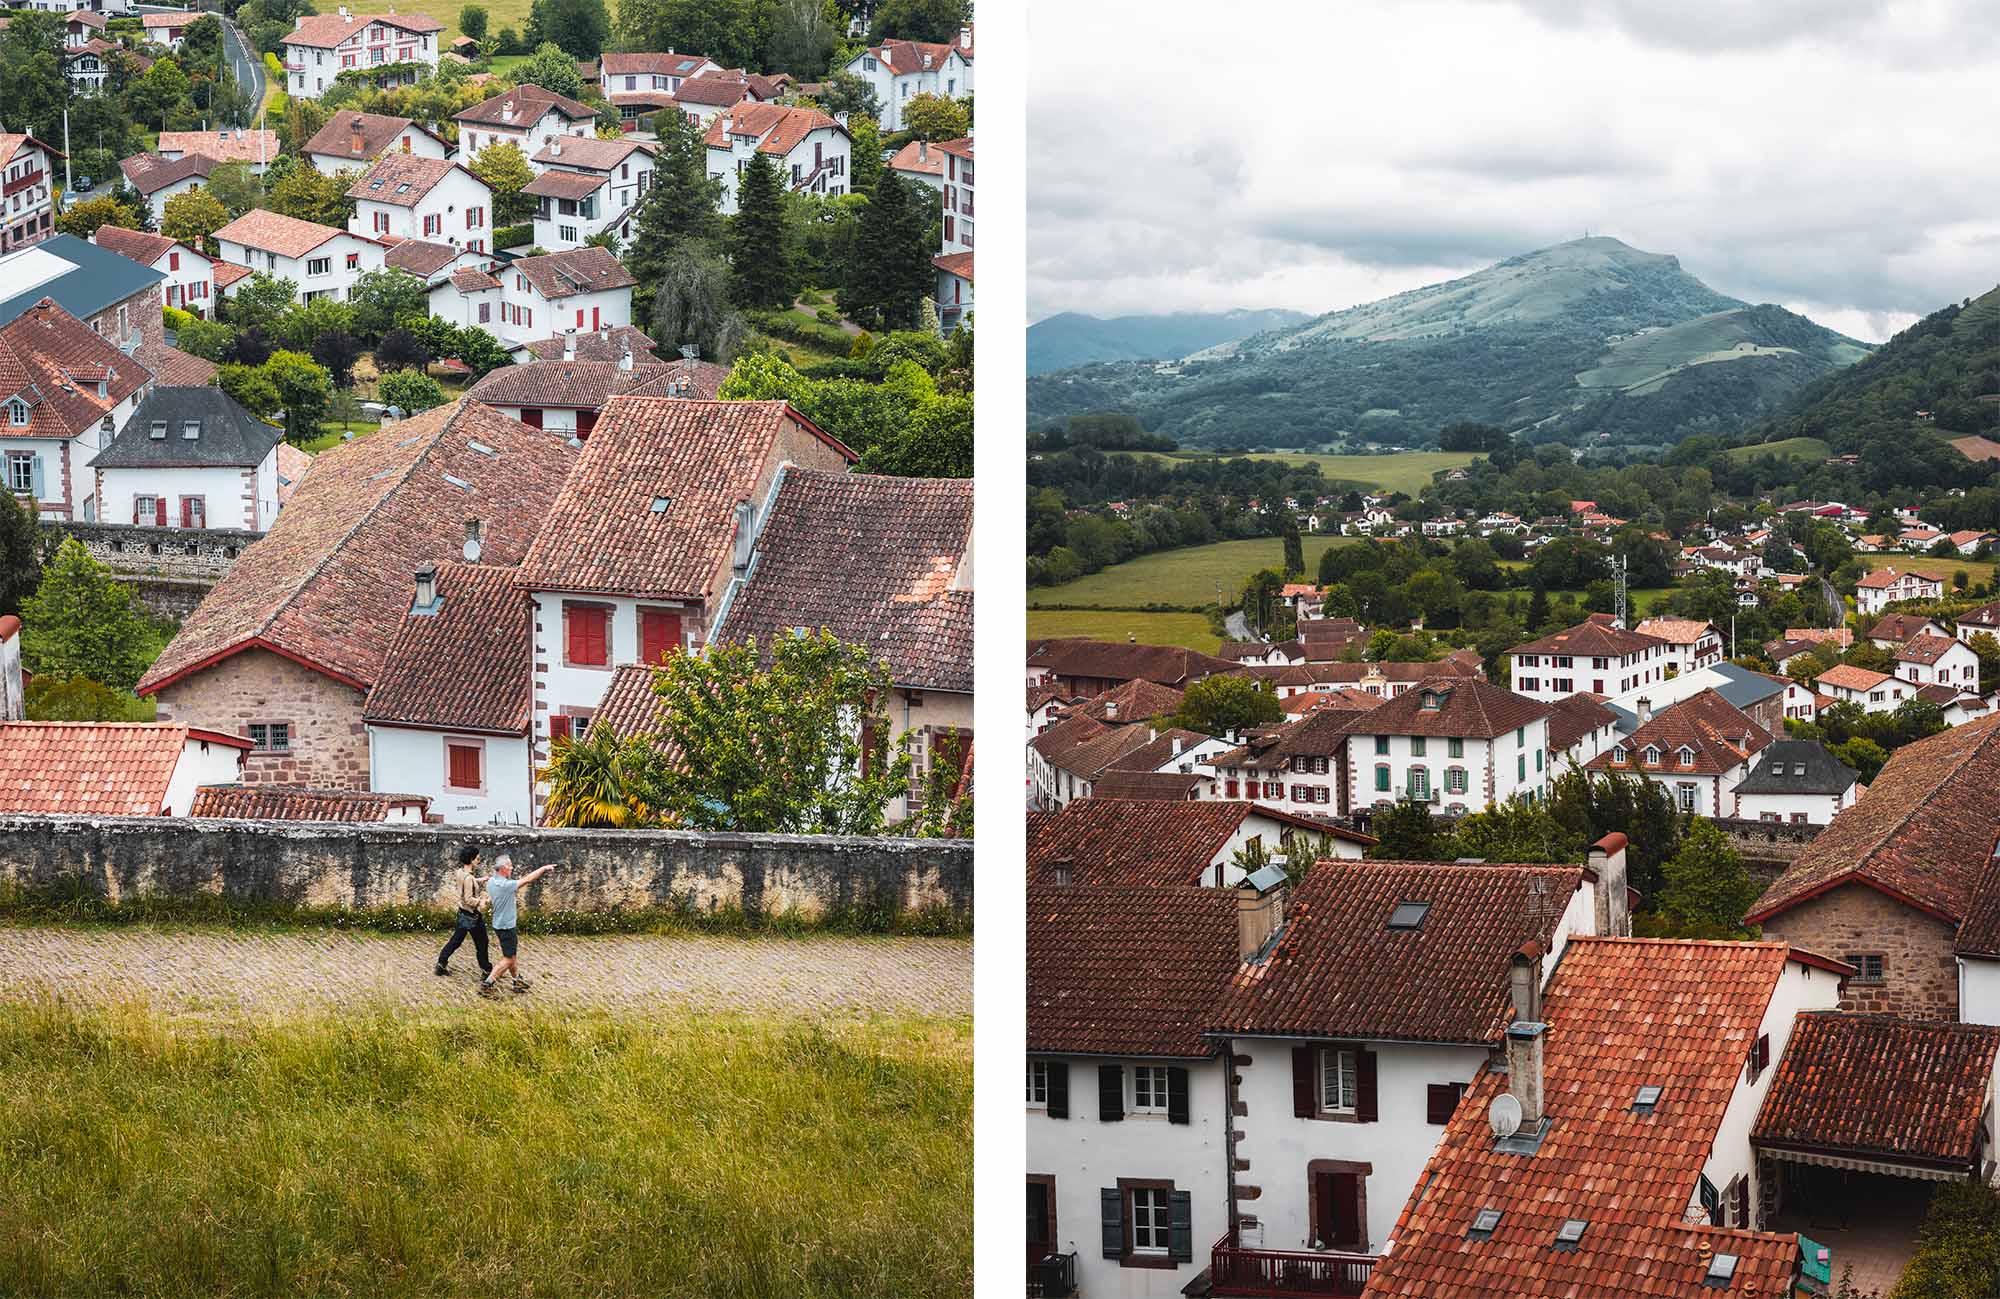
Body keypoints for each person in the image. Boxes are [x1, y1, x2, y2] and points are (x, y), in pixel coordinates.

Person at [479, 855, 556, 997]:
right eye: (510, 866)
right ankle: (487, 984)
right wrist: (544, 868)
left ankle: (517, 981)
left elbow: (490, 894)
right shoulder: (506, 886)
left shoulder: (491, 882)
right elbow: (528, 879)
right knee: (508, 959)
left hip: (498, 924)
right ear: (503, 869)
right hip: (507, 926)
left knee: (511, 956)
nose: (512, 868)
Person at [435, 845, 493, 979]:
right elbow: (468, 899)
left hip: (462, 913)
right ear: (471, 860)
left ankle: (441, 963)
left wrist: (479, 880)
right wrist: (482, 901)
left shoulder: (460, 872)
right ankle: (486, 970)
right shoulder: (469, 878)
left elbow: (466, 884)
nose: (478, 861)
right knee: (482, 943)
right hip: (472, 916)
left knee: (455, 941)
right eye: (477, 859)